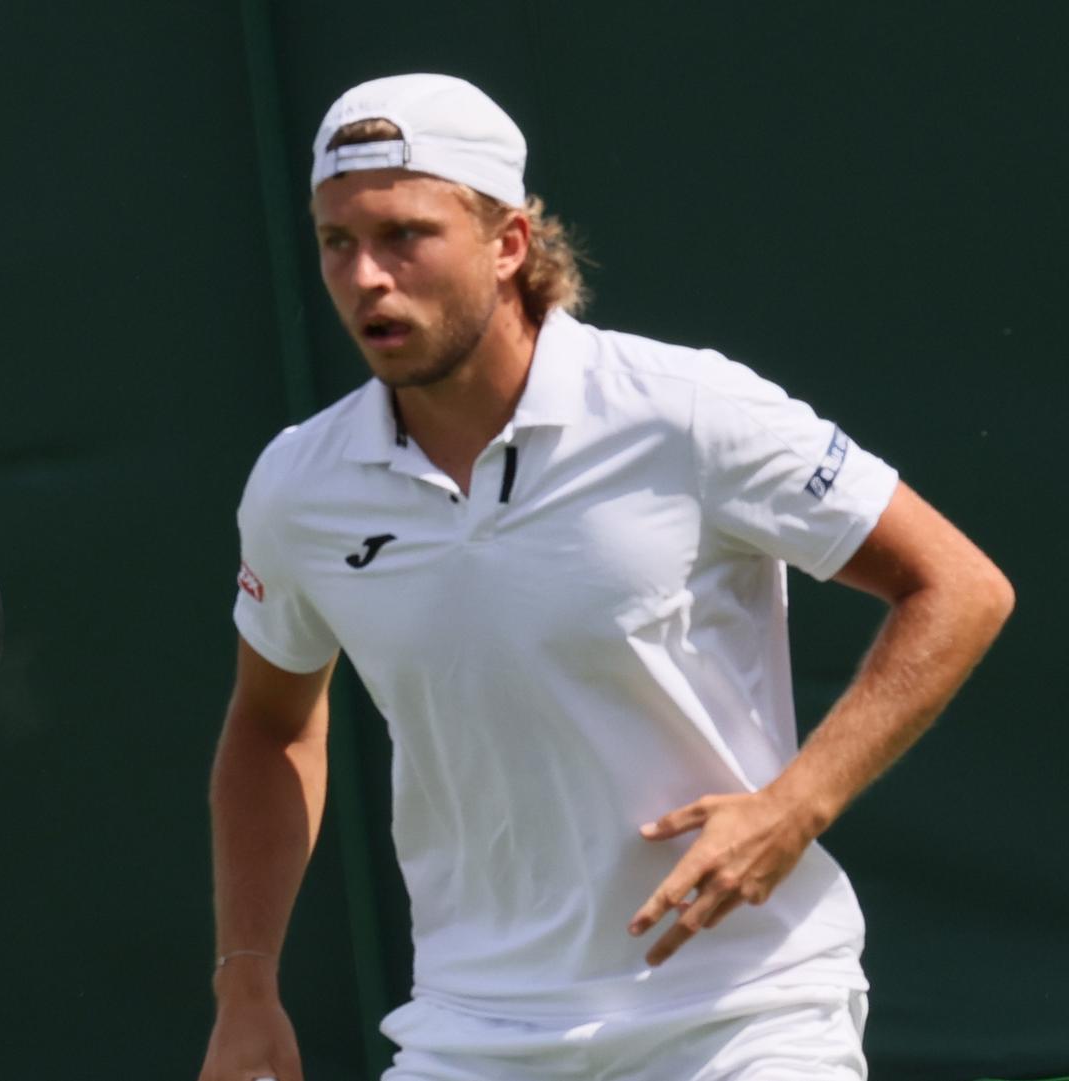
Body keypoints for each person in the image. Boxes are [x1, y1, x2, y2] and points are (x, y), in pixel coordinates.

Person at [199, 73, 1012, 1081]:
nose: (366, 277)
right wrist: (246, 984)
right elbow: (272, 727)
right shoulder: (297, 487)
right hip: (473, 1031)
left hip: (746, 1018)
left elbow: (958, 586)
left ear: (509, 242)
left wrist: (795, 804)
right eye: (337, 241)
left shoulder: (687, 409)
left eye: (405, 235)